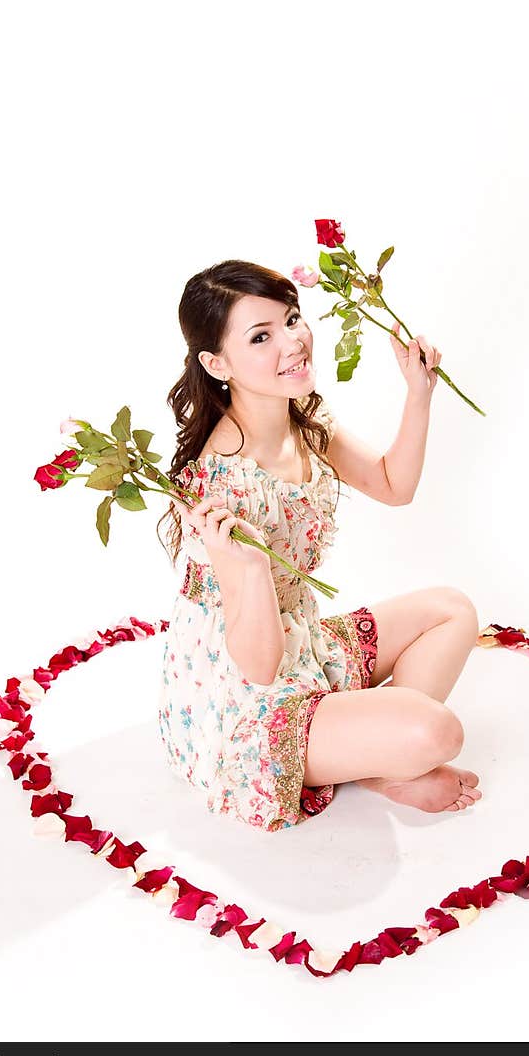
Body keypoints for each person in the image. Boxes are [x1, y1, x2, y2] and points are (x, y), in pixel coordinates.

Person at [157, 259, 483, 833]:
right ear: (216, 364)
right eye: (261, 337)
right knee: (438, 732)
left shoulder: (301, 419)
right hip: (245, 703)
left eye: (291, 320)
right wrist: (252, 568)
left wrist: (418, 395)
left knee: (452, 610)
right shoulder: (220, 486)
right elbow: (256, 668)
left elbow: (392, 485)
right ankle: (380, 756)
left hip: (298, 644)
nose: (293, 342)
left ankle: (375, 758)